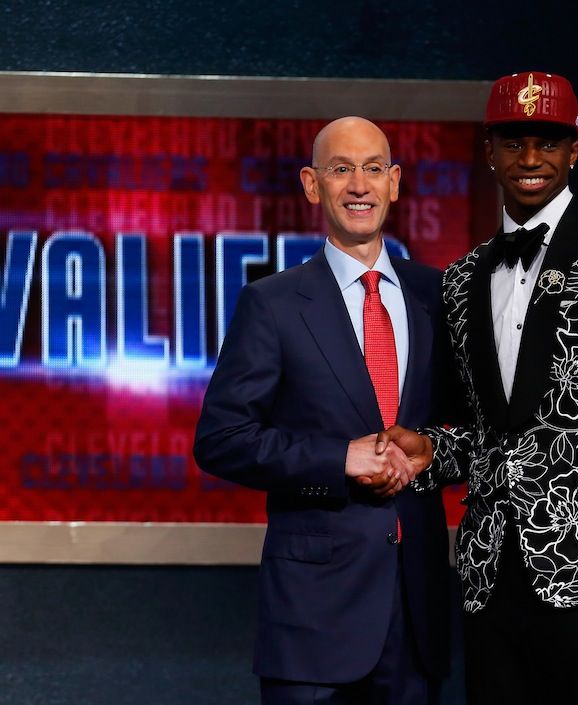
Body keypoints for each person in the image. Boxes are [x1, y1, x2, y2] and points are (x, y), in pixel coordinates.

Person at [376, 72, 578, 704]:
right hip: (491, 578)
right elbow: (489, 434)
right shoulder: (463, 277)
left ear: (574, 150)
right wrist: (433, 453)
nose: (531, 159)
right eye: (514, 141)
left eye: (548, 142)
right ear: (488, 149)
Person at [193, 116, 450, 705]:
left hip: (416, 611)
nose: (359, 185)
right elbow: (222, 437)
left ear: (395, 183)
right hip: (313, 620)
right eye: (341, 169)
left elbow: (465, 429)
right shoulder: (272, 303)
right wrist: (339, 459)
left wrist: (430, 451)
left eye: (373, 169)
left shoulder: (438, 295)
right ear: (313, 185)